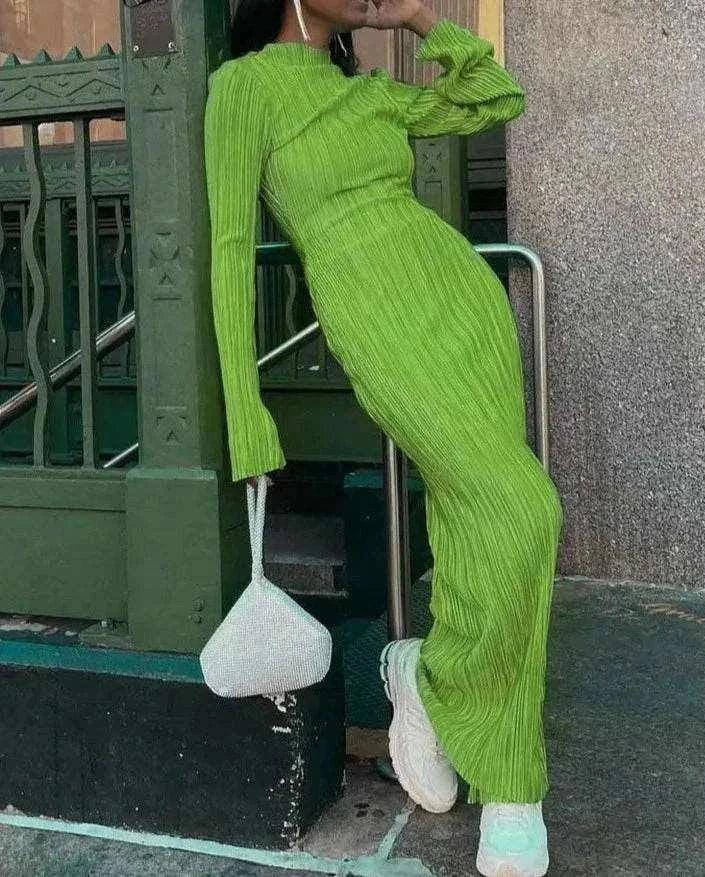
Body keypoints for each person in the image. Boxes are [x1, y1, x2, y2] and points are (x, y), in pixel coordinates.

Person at [204, 1, 564, 874]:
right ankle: (445, 688)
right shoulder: (242, 89)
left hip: (461, 302)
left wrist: (415, 19)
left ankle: (499, 769)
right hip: (375, 318)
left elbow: (495, 93)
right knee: (527, 509)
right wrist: (245, 413)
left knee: (483, 518)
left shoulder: (367, 95)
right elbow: (224, 250)